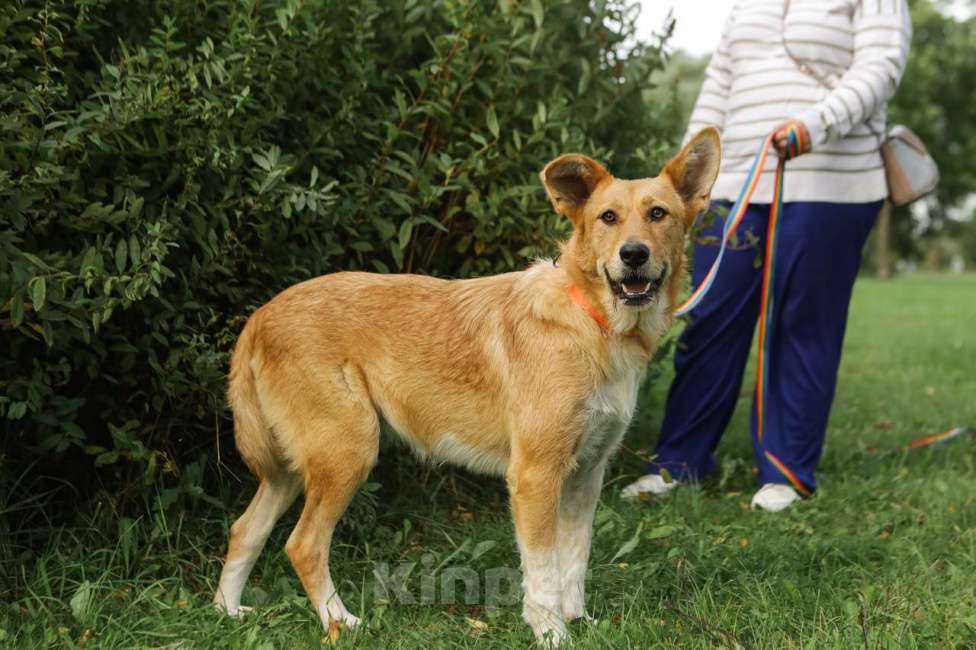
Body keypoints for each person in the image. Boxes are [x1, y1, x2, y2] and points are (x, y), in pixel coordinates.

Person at [623, 0, 912, 511]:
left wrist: (816, 124)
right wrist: (682, 177)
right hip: (735, 184)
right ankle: (678, 463)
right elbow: (718, 87)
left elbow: (881, 66)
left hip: (830, 181)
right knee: (710, 318)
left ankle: (786, 472)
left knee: (801, 324)